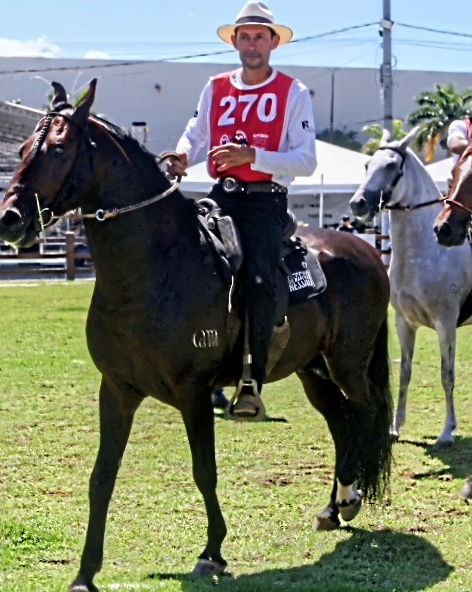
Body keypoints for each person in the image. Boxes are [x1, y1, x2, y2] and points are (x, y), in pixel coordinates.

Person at [165, 1, 317, 421]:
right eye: (245, 36)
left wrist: (253, 154)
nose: (252, 44)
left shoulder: (294, 92)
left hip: (264, 202)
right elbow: (195, 134)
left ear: (273, 42)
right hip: (220, 196)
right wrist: (180, 156)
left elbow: (306, 162)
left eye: (260, 37)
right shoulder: (215, 86)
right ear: (235, 41)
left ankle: (251, 382)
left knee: (258, 277)